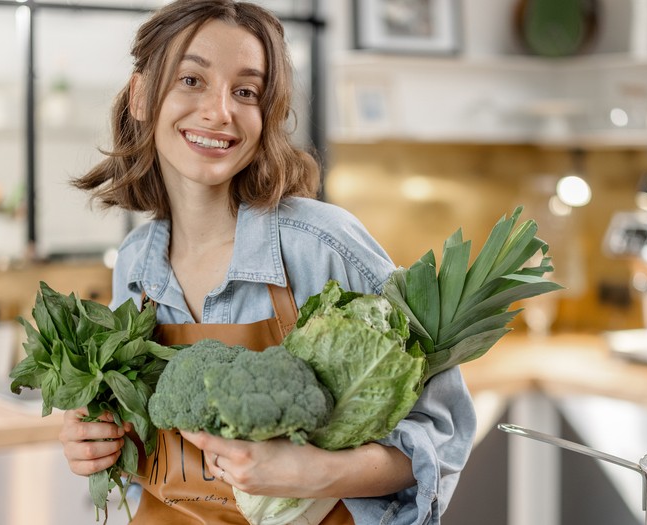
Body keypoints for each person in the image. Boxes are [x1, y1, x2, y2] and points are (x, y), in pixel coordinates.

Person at [58, 1, 476, 523]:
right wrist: (96, 441)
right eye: (192, 80)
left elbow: (439, 436)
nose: (219, 112)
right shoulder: (135, 264)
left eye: (245, 92)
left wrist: (315, 472)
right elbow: (141, 436)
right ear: (141, 95)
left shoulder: (324, 245)